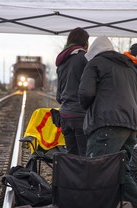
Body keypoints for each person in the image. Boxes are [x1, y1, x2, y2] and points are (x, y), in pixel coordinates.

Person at [78, 35, 137, 208]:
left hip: (107, 124)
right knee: (121, 171)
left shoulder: (95, 64)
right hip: (132, 126)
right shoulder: (131, 68)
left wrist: (88, 108)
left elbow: (85, 93)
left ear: (93, 52)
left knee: (96, 168)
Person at [55, 27, 89, 156]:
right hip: (80, 114)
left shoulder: (62, 60)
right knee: (83, 156)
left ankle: (69, 177)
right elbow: (88, 88)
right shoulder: (83, 58)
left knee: (71, 156)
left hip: (64, 115)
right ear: (84, 42)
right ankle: (83, 177)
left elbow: (59, 95)